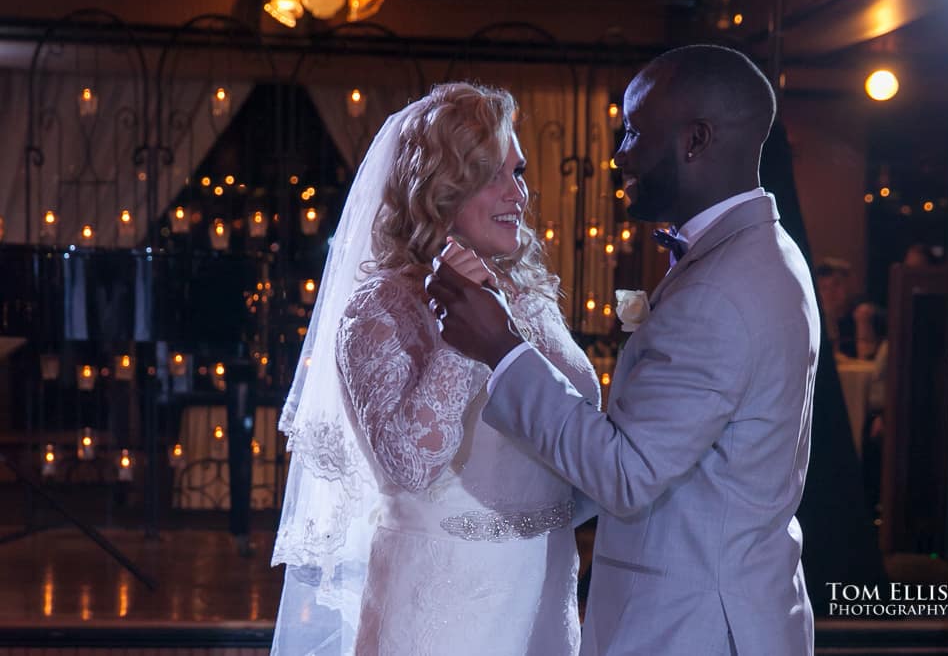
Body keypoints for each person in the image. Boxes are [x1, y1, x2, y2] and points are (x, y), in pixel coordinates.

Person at [427, 45, 819, 655]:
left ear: (694, 140)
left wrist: (502, 348)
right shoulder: (759, 254)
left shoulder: (722, 288)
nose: (618, 155)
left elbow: (629, 473)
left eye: (634, 131)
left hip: (691, 628)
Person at [270, 82, 598, 655]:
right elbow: (411, 466)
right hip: (442, 605)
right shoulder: (380, 310)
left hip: (546, 592)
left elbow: (579, 429)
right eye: (492, 174)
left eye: (518, 173)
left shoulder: (532, 297)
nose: (517, 194)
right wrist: (463, 333)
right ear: (440, 187)